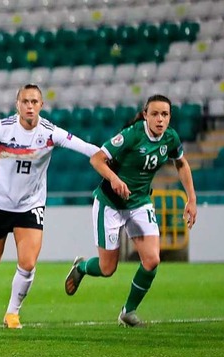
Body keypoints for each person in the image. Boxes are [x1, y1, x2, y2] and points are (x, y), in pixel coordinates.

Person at [0, 84, 99, 329]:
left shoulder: (50, 132)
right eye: (25, 101)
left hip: (30, 206)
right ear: (17, 104)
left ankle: (12, 313)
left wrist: (110, 155)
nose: (30, 106)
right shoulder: (3, 128)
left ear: (41, 106)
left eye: (34, 102)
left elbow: (84, 147)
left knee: (27, 263)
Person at [64, 94, 197, 327]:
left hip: (140, 204)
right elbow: (96, 160)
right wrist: (115, 179)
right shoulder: (132, 135)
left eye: (164, 114)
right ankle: (82, 267)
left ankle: (128, 311)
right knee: (107, 269)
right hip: (110, 204)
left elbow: (181, 163)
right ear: (145, 115)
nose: (160, 119)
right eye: (154, 114)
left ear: (170, 117)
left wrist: (191, 199)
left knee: (152, 259)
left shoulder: (170, 138)